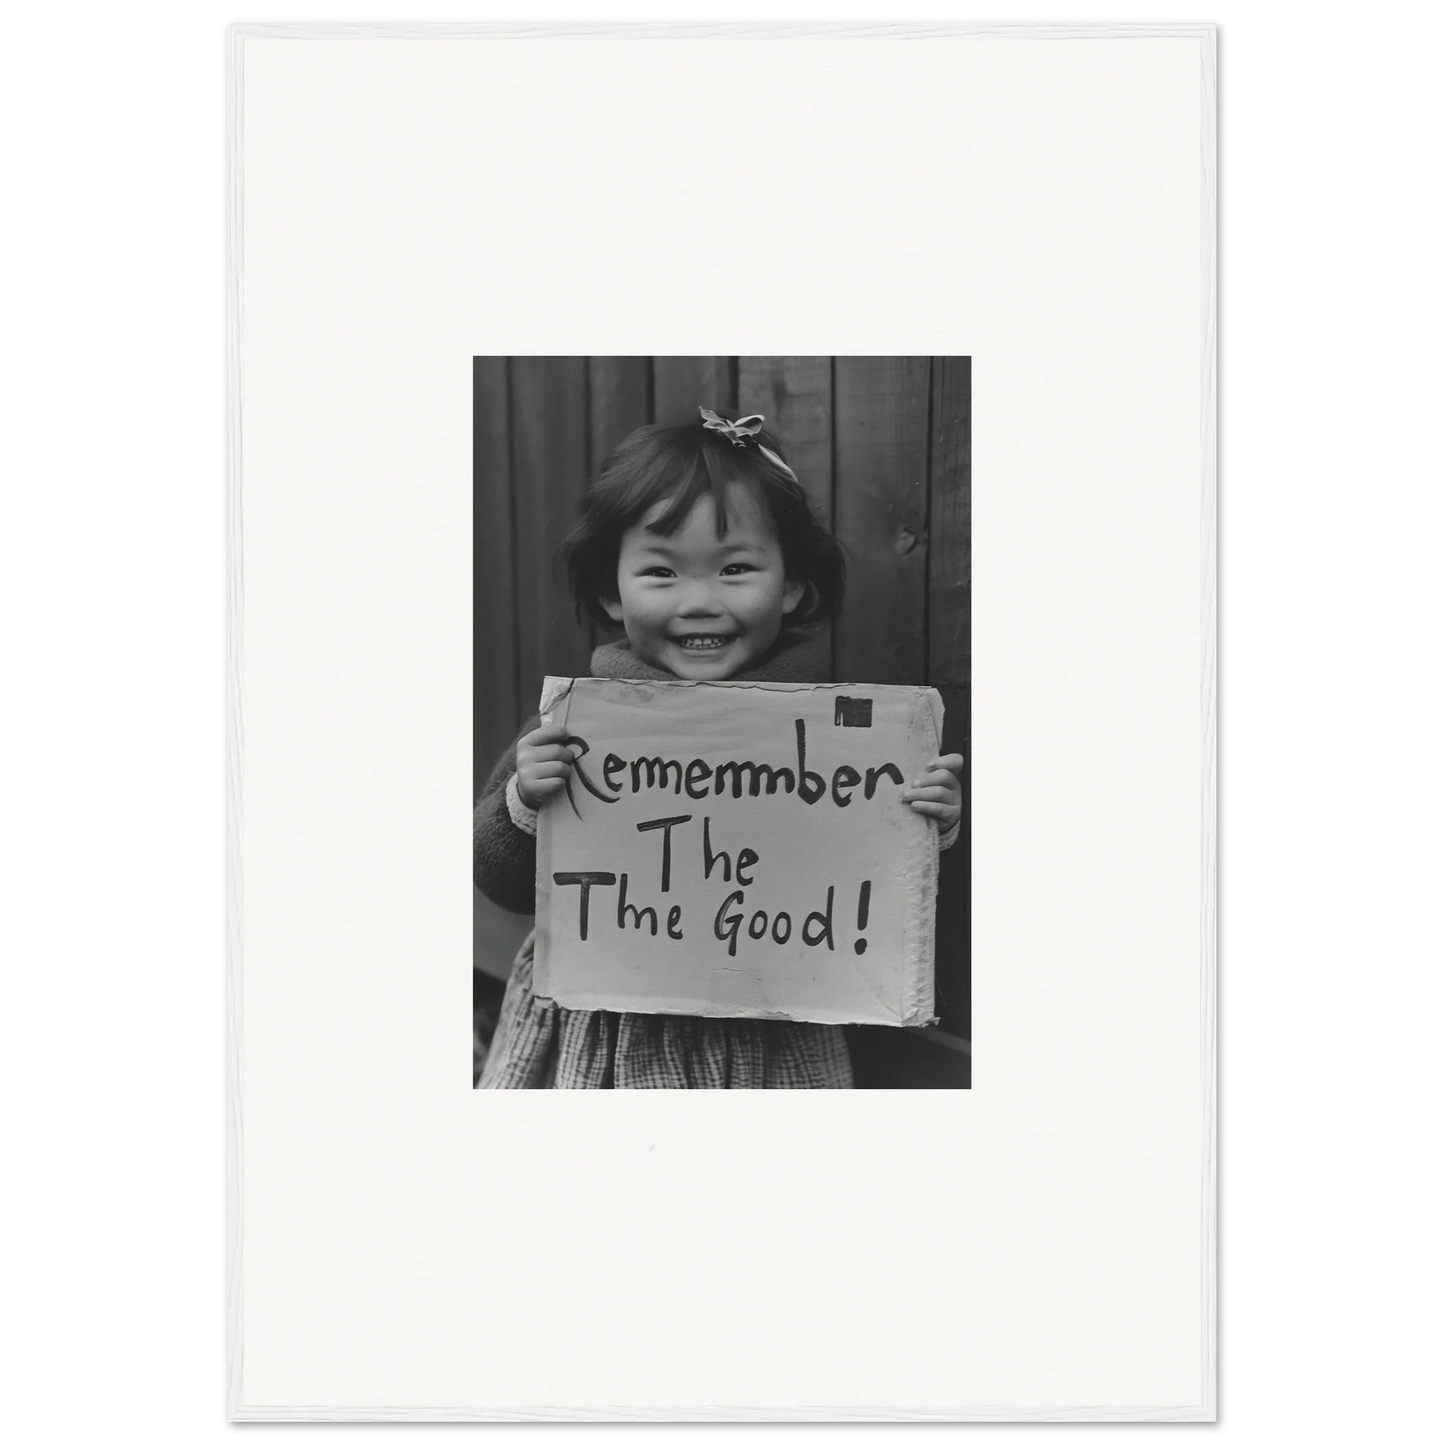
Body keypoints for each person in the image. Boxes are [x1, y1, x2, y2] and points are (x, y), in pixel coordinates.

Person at [474, 408, 963, 1088]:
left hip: (773, 1026)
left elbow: (868, 878)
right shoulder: (573, 729)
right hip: (610, 1023)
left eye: (734, 568)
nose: (700, 601)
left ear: (790, 584)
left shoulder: (837, 746)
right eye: (662, 573)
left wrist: (923, 820)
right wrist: (524, 799)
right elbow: (498, 879)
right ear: (611, 593)